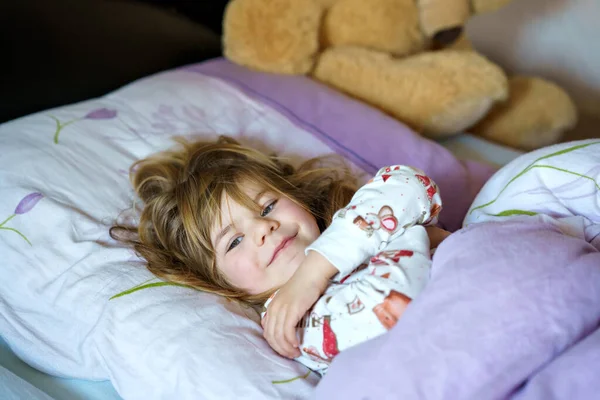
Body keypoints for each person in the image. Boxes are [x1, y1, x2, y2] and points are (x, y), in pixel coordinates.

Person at [112, 135, 450, 375]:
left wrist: (314, 269)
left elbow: (411, 183)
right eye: (234, 241)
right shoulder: (291, 321)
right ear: (217, 282)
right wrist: (414, 231)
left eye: (268, 206)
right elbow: (395, 304)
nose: (263, 227)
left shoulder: (347, 223)